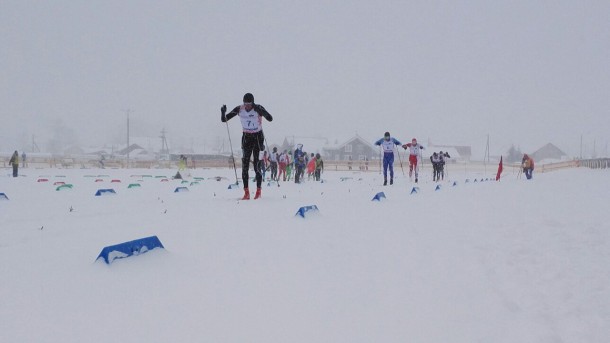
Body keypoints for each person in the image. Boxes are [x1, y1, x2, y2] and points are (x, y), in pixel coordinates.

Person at [221, 93, 273, 199]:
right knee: (245, 166)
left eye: (249, 104)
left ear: (253, 103)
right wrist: (223, 112)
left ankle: (258, 191)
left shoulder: (258, 108)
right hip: (246, 138)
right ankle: (246, 192)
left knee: (257, 166)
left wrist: (261, 111)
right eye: (245, 104)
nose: (247, 106)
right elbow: (224, 119)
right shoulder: (239, 109)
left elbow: (270, 118)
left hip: (258, 138)